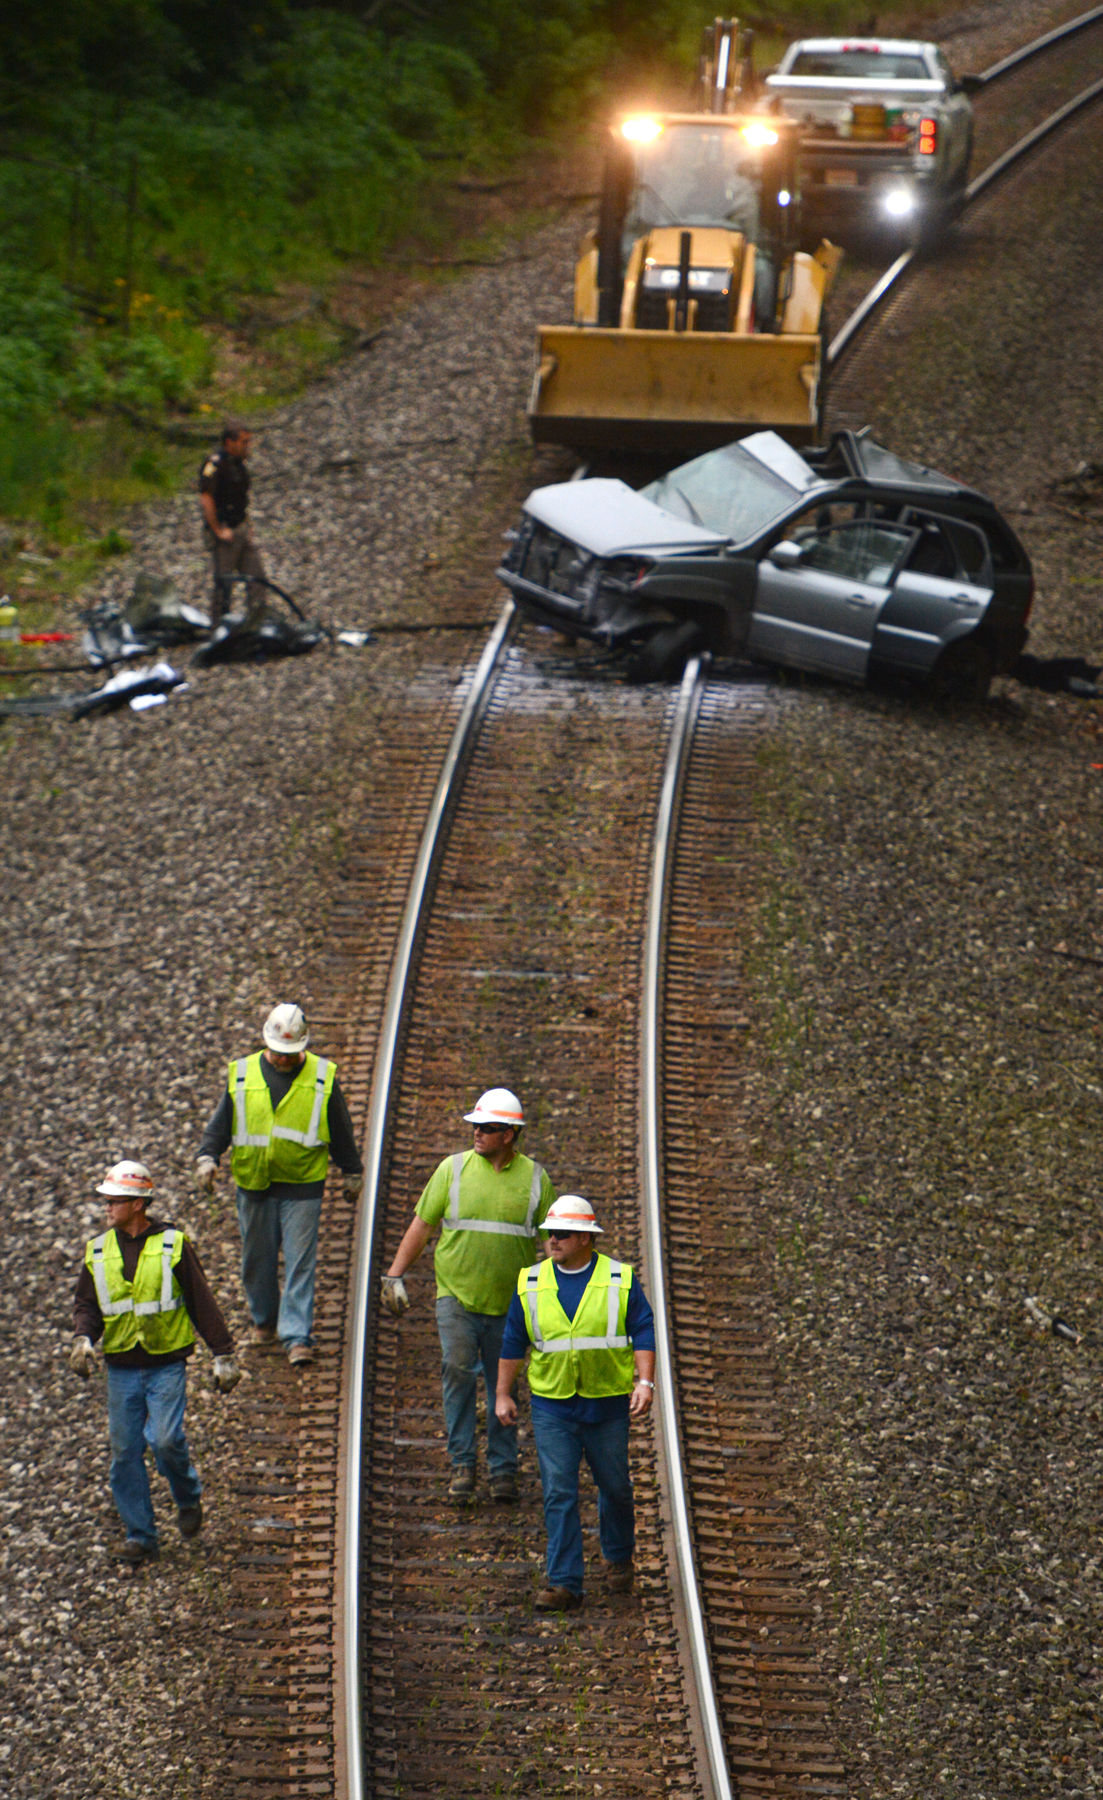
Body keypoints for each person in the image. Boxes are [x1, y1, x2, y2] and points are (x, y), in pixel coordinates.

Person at [380, 1087, 556, 1504]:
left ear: (509, 1134)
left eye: (487, 1128)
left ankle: (503, 1468)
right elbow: (422, 1226)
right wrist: (394, 1275)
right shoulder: (452, 1170)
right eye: (475, 1126)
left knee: (505, 1384)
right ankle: (462, 1463)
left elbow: (555, 1242)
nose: (476, 1134)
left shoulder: (535, 1179)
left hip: (512, 1304)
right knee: (457, 1371)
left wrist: (562, 1294)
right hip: (455, 1297)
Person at [69, 1159, 241, 1566]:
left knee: (165, 1441)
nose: (107, 1207)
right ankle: (141, 1536)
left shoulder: (173, 1245)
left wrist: (223, 1353)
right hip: (122, 1369)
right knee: (125, 1452)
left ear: (138, 1204)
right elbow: (87, 1305)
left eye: (114, 1201)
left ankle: (188, 1497)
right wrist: (83, 1339)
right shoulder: (98, 1251)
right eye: (107, 1201)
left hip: (166, 1364)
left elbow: (201, 1301)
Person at [495, 1194, 655, 1612]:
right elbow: (514, 1339)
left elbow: (643, 1328)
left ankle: (618, 1556)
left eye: (563, 1234)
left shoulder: (620, 1279)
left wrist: (645, 1382)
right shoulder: (530, 1282)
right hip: (553, 1405)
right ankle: (565, 1583)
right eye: (550, 1233)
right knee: (559, 1492)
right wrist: (502, 1393)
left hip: (606, 1404)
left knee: (616, 1487)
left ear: (586, 1238)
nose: (554, 1240)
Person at [196, 1003, 363, 1367]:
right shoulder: (241, 1075)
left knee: (300, 1263)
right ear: (266, 1042)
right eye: (277, 1052)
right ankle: (264, 1321)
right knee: (257, 1259)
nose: (283, 1059)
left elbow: (340, 1127)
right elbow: (221, 1124)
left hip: (303, 1184)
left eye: (290, 1053)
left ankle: (296, 1336)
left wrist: (351, 1170)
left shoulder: (322, 1078)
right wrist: (208, 1156)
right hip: (253, 1183)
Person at [198, 420, 267, 626]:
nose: (248, 447)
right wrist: (217, 530)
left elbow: (240, 498)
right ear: (230, 442)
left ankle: (257, 622)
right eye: (244, 442)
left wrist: (247, 526)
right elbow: (206, 498)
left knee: (258, 577)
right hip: (225, 532)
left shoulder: (239, 465)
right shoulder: (215, 465)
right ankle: (218, 626)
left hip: (241, 528)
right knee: (224, 584)